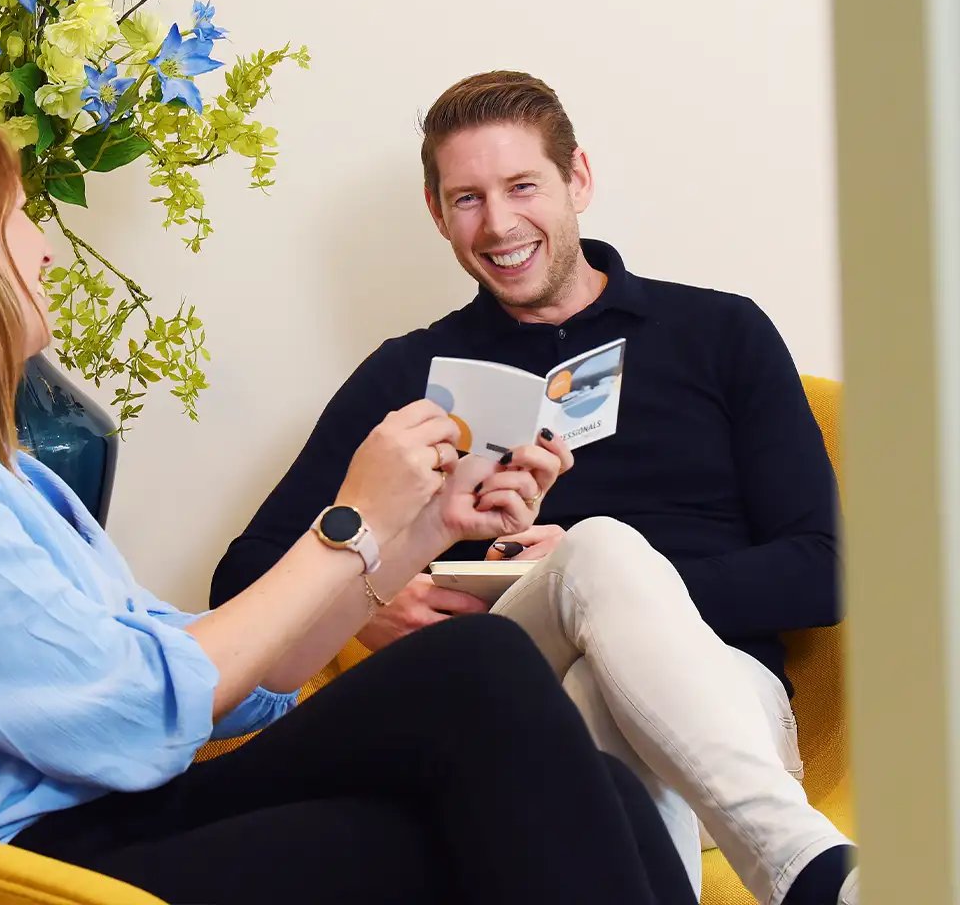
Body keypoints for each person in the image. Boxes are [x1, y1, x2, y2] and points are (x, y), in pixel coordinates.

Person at [0, 102, 699, 905]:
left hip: (105, 819)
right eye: (14, 214)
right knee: (483, 705)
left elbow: (236, 679)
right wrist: (351, 525)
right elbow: (129, 712)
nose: (44, 248)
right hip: (20, 869)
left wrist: (423, 529)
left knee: (586, 775)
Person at [211, 71, 860, 905]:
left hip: (724, 708)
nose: (500, 223)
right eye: (468, 198)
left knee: (598, 598)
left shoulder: (721, 332)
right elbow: (242, 577)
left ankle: (793, 862)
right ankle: (813, 873)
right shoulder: (408, 373)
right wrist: (369, 599)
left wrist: (613, 576)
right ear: (436, 212)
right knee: (579, 628)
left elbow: (825, 568)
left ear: (577, 179)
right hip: (511, 697)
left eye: (522, 187)